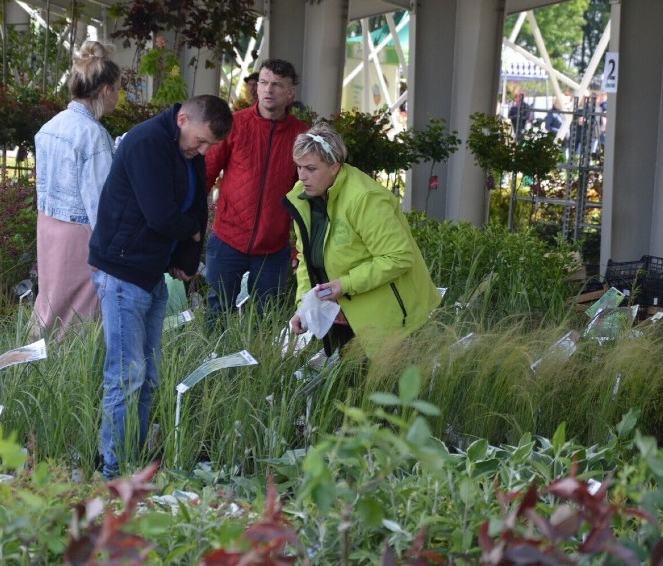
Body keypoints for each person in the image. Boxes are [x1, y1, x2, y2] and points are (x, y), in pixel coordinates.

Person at [88, 95, 233, 479]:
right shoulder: (148, 142)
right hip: (122, 269)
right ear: (182, 118)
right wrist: (191, 230)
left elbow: (196, 205)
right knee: (125, 374)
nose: (203, 151)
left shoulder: (186, 148)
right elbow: (160, 214)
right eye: (201, 142)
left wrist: (186, 258)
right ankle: (113, 471)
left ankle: (132, 460)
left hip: (151, 271)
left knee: (149, 374)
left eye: (209, 147)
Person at [283, 123, 441, 357]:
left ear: (335, 168)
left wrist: (344, 284)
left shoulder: (365, 198)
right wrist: (304, 308)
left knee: (385, 391)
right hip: (341, 316)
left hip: (389, 318)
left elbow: (398, 257)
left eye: (311, 168)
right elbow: (308, 259)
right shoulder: (304, 196)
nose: (302, 176)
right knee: (348, 390)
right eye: (299, 167)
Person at [204, 59, 309, 322]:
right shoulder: (234, 124)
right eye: (263, 83)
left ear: (290, 93)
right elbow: (205, 173)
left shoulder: (302, 136)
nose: (268, 90)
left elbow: (308, 197)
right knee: (217, 315)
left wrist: (300, 249)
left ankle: (259, 364)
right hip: (227, 239)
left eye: (277, 85)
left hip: (273, 249)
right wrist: (190, 225)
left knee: (265, 321)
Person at [33, 40, 121, 339]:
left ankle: (34, 363)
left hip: (48, 226)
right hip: (80, 233)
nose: (118, 97)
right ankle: (67, 375)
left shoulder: (50, 125)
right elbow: (101, 203)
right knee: (79, 317)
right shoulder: (94, 136)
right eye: (118, 89)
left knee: (50, 302)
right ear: (106, 89)